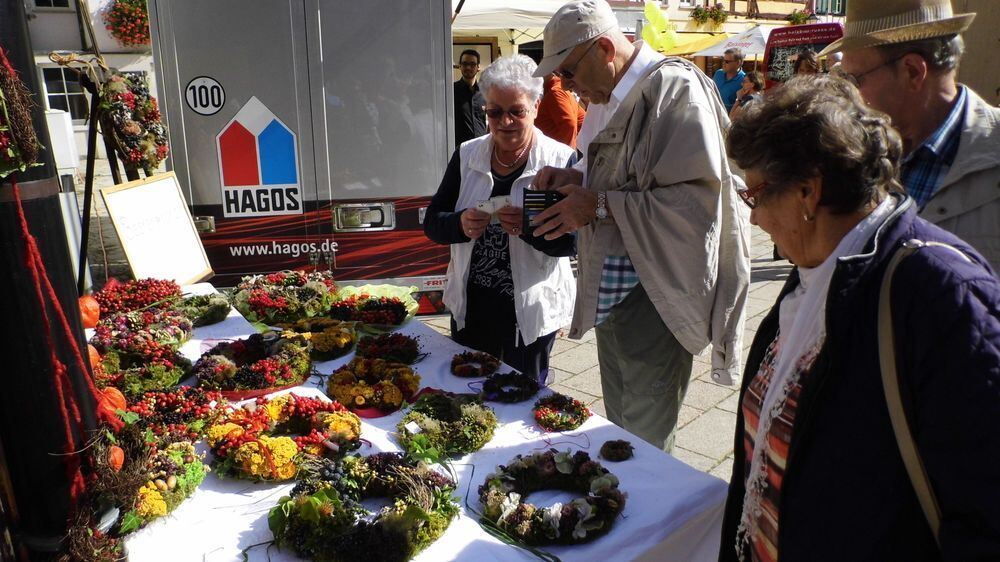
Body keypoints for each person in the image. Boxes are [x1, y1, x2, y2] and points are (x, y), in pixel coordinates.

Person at [720, 75, 1000, 561]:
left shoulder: (943, 295)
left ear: (808, 191)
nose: (754, 218)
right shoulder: (819, 266)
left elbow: (986, 514)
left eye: (756, 195)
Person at [529, 0, 750, 451]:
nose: (565, 87)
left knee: (645, 440)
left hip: (656, 293)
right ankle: (630, 508)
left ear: (605, 50)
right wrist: (575, 178)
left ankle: (654, 516)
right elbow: (624, 176)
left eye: (567, 73)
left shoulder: (674, 89)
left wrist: (598, 206)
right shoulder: (608, 95)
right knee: (622, 427)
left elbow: (697, 205)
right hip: (615, 292)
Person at [425, 54, 577, 384]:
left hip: (530, 311)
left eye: (516, 111)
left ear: (536, 106)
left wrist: (529, 228)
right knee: (466, 392)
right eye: (494, 112)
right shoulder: (468, 155)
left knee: (524, 397)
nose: (505, 122)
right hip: (473, 306)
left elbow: (572, 243)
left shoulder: (561, 160)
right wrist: (460, 224)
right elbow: (433, 223)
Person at [823, 0, 1000, 270]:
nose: (851, 97)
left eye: (857, 80)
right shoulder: (858, 151)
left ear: (913, 71)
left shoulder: (992, 153)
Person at [534, 74, 587, 149]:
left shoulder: (555, 92)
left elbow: (569, 125)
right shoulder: (553, 90)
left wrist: (568, 156)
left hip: (569, 151)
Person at [453, 49, 487, 148]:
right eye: (464, 64)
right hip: (460, 149)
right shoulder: (452, 91)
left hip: (481, 148)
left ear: (478, 67)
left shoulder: (484, 92)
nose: (468, 67)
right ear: (460, 66)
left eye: (472, 64)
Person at [713, 47, 746, 112]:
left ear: (738, 63)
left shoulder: (744, 80)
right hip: (712, 114)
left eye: (727, 61)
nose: (723, 63)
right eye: (723, 60)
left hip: (729, 119)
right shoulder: (718, 73)